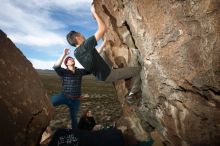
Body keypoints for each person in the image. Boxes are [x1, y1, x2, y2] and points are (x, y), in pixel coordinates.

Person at [66, 4, 141, 82]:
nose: (82, 35)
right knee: (138, 70)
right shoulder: (84, 46)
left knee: (104, 52)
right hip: (109, 74)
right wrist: (95, 13)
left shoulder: (77, 52)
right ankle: (133, 91)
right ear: (77, 37)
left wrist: (104, 42)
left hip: (102, 75)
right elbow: (102, 29)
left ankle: (119, 71)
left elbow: (96, 53)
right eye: (80, 34)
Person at [50, 48, 90, 129]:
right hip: (64, 96)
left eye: (72, 59)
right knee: (48, 102)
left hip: (76, 100)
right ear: (66, 64)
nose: (72, 60)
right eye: (69, 59)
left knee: (74, 119)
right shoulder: (63, 72)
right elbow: (56, 66)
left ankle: (75, 135)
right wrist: (64, 54)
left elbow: (90, 70)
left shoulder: (79, 71)